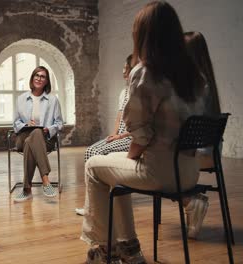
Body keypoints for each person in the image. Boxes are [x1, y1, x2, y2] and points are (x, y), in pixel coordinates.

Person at [80, 1, 207, 263]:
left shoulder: (147, 72)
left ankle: (108, 248)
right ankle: (128, 247)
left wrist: (131, 156)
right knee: (112, 171)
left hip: (159, 171)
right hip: (189, 171)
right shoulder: (194, 76)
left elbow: (139, 132)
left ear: (143, 34)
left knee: (94, 166)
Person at [76, 55, 133, 216]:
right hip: (121, 136)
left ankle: (95, 206)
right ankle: (93, 203)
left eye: (126, 68)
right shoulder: (124, 91)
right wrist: (114, 134)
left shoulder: (141, 92)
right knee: (90, 151)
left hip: (131, 138)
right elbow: (120, 115)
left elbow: (142, 127)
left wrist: (121, 136)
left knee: (95, 153)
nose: (123, 71)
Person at [182, 31, 223, 239]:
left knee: (156, 162)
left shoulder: (196, 85)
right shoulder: (206, 81)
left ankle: (190, 200)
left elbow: (182, 123)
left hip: (201, 155)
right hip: (210, 152)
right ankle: (191, 201)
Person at [12, 66, 63, 202]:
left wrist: (49, 129)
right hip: (22, 137)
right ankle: (46, 180)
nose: (39, 78)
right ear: (32, 78)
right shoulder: (21, 99)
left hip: (45, 139)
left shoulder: (53, 100)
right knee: (32, 135)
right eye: (37, 75)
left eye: (43, 76)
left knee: (35, 136)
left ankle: (26, 189)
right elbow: (16, 122)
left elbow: (59, 123)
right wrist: (26, 124)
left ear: (46, 81)